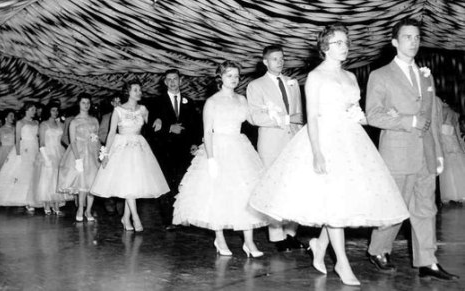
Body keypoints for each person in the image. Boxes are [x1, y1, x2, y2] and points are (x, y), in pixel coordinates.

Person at [249, 24, 410, 286]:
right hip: (324, 140)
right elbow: (311, 117)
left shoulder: (350, 77)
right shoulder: (316, 77)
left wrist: (371, 116)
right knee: (335, 204)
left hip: (351, 142)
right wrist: (317, 153)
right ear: (325, 47)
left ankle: (319, 244)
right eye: (338, 43)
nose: (344, 47)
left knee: (341, 203)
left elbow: (354, 112)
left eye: (346, 42)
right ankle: (342, 263)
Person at [365, 18, 459, 281]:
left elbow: (433, 116)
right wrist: (408, 121)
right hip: (397, 154)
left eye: (417, 37)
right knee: (396, 207)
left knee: (426, 209)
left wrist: (438, 152)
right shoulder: (380, 75)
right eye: (407, 37)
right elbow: (373, 115)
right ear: (395, 42)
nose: (413, 42)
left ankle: (427, 260)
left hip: (426, 154)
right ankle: (378, 249)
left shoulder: (425, 75)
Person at [173, 61, 268, 257]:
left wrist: (271, 112)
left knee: (244, 193)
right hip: (218, 148)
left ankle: (249, 242)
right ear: (220, 78)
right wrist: (211, 159)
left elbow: (253, 120)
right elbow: (207, 132)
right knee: (217, 193)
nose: (233, 79)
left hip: (240, 147)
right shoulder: (212, 102)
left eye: (236, 76)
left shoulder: (242, 100)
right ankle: (220, 238)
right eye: (229, 75)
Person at [246, 45, 305, 252]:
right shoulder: (256, 86)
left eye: (281, 58)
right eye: (274, 59)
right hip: (271, 144)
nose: (279, 62)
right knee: (273, 188)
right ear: (265, 62)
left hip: (294, 142)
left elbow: (299, 114)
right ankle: (276, 236)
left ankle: (290, 233)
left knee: (294, 188)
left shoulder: (292, 83)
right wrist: (287, 119)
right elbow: (254, 117)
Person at [91, 80, 169, 231]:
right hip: (122, 148)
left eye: (140, 89)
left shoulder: (143, 109)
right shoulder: (118, 110)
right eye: (135, 90)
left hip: (139, 148)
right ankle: (135, 217)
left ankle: (125, 218)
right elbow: (112, 133)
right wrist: (105, 154)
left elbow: (153, 124)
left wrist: (159, 119)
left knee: (132, 185)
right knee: (129, 183)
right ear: (128, 92)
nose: (139, 92)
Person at [147, 69, 201, 230]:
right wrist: (169, 128)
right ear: (165, 82)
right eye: (169, 79)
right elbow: (150, 128)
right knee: (166, 184)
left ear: (180, 81)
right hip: (165, 150)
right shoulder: (156, 103)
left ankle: (182, 215)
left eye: (175, 79)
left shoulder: (189, 102)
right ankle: (168, 220)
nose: (172, 82)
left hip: (185, 150)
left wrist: (195, 143)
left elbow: (196, 126)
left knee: (183, 182)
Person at [0, 103, 39, 209]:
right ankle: (21, 199)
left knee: (32, 174)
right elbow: (17, 140)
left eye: (35, 110)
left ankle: (31, 199)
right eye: (32, 109)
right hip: (23, 149)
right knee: (21, 175)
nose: (35, 111)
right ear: (27, 110)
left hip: (34, 148)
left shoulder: (36, 122)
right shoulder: (20, 123)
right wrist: (19, 155)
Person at [58, 94, 100, 222]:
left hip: (92, 153)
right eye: (83, 102)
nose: (86, 105)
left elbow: (95, 138)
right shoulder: (74, 122)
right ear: (79, 104)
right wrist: (77, 159)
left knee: (93, 183)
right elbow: (73, 142)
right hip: (80, 153)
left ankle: (88, 211)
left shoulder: (94, 120)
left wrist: (100, 152)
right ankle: (81, 208)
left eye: (88, 102)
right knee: (82, 184)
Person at [30, 102, 69, 215]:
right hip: (47, 152)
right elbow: (41, 142)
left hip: (59, 152)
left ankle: (56, 205)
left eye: (57, 110)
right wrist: (46, 158)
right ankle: (47, 205)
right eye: (53, 110)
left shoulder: (60, 124)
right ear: (48, 111)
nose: (55, 113)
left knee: (57, 179)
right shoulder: (43, 125)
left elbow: (64, 139)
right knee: (47, 179)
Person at [438, 100, 465, 204]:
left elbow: (438, 129)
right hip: (454, 141)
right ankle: (461, 193)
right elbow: (457, 133)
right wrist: (461, 145)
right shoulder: (454, 113)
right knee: (458, 167)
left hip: (445, 142)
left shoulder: (442, 111)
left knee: (448, 170)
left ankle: (450, 194)